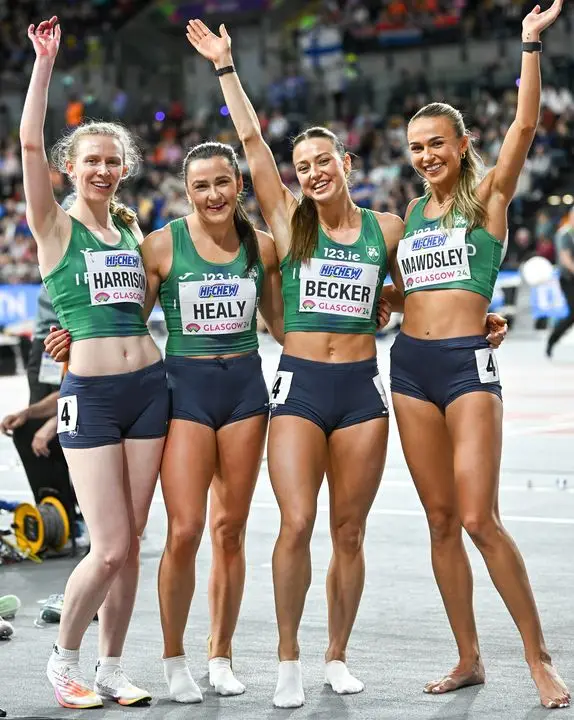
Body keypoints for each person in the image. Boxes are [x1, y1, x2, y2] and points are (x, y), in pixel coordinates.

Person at [186, 19, 498, 709]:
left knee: (348, 532)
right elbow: (251, 145)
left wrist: (485, 319)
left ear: (348, 164)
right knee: (295, 523)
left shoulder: (388, 230)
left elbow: (432, 290)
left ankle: (335, 655)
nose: (314, 173)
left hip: (362, 389)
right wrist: (226, 68)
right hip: (300, 387)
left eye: (324, 161)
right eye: (304, 167)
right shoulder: (289, 217)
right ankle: (290, 660)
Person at [46, 140, 285, 703]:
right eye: (199, 185)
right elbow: (121, 315)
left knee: (228, 531)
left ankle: (218, 656)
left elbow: (283, 324)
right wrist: (66, 341)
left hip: (244, 392)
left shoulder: (264, 249)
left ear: (238, 185)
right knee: (181, 531)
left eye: (221, 182)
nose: (212, 194)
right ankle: (171, 660)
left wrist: (382, 310)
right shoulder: (158, 245)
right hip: (181, 392)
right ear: (186, 191)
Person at [385, 0, 570, 710]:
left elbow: (524, 126)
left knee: (479, 519)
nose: (427, 155)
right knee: (437, 520)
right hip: (407, 369)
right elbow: (409, 296)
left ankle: (538, 656)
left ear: (461, 145)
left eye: (438, 142)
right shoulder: (409, 221)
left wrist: (527, 44)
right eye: (417, 147)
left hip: (467, 367)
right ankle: (468, 657)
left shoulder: (486, 197)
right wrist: (391, 305)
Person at [21, 16, 168, 709]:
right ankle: (63, 660)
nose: (104, 169)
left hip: (150, 388)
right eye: (91, 160)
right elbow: (26, 139)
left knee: (133, 544)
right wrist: (44, 62)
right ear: (69, 169)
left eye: (114, 160)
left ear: (125, 168)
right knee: (106, 547)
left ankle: (110, 667)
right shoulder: (55, 225)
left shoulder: (132, 227)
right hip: (93, 397)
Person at [546, 206, 574, 357]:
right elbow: (565, 258)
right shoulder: (564, 234)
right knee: (572, 314)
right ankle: (552, 340)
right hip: (568, 279)